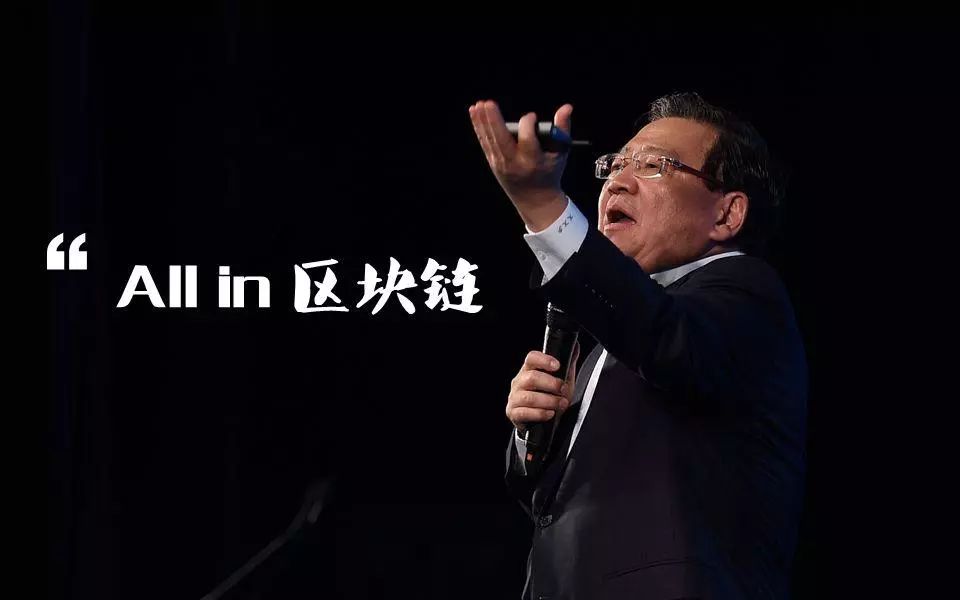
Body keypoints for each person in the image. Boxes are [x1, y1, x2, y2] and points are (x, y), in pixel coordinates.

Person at [468, 92, 807, 599]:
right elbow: (549, 500)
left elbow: (666, 338)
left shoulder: (748, 295)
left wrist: (543, 207)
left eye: (653, 166)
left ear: (727, 215)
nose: (617, 182)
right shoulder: (617, 337)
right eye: (615, 165)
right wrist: (530, 431)